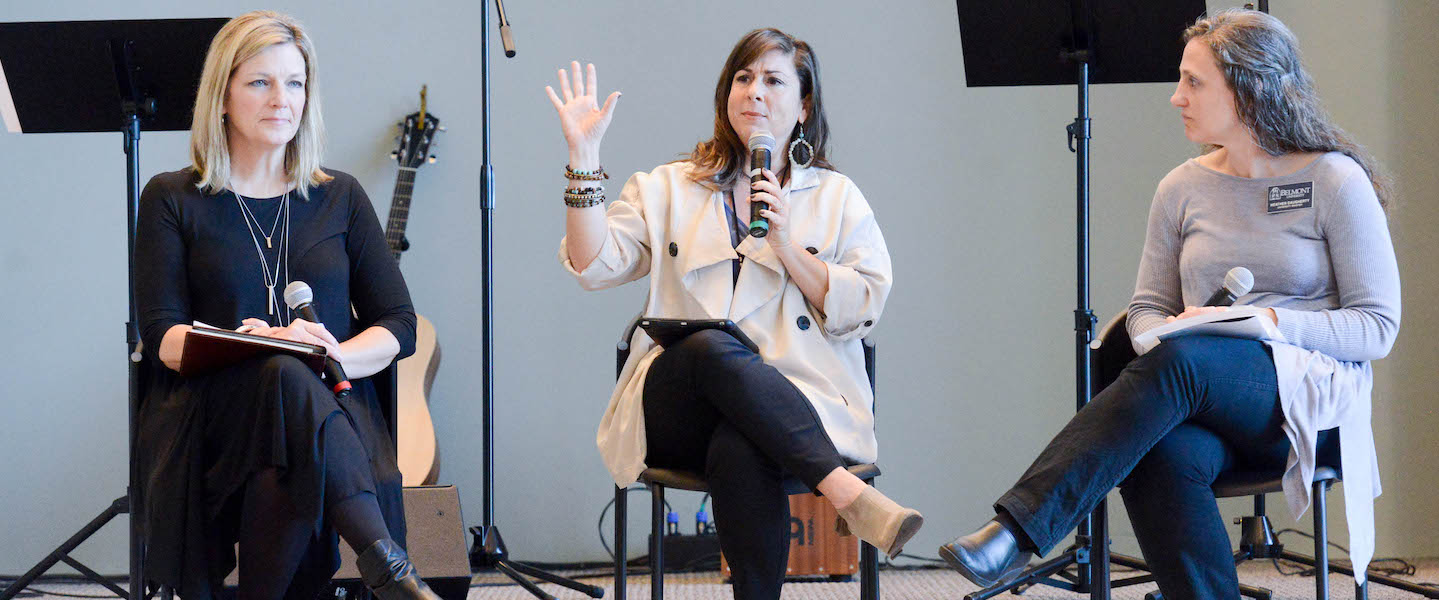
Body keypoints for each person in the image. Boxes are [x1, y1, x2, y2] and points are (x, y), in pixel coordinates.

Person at [938, 9, 1401, 599]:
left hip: (1305, 401)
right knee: (1161, 446)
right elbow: (1147, 309)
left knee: (1181, 366)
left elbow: (1376, 327)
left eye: (1193, 82)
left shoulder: (1335, 180)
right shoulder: (1181, 187)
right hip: (1196, 396)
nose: (1175, 97)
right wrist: (1169, 331)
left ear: (1247, 88)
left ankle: (1016, 530)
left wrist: (1263, 322)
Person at [548, 28, 923, 600]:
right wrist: (584, 157)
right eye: (743, 78)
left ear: (803, 105)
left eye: (773, 80)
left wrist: (789, 247)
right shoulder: (670, 186)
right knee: (705, 346)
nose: (754, 92)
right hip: (677, 407)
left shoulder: (836, 198)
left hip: (795, 408)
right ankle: (846, 494)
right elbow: (593, 262)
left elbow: (865, 304)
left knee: (743, 440)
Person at [133, 11, 439, 600]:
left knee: (287, 439)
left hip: (327, 403)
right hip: (212, 417)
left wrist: (335, 353)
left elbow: (399, 324)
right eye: (260, 82)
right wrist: (260, 345)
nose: (282, 99)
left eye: (295, 83)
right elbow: (164, 337)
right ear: (221, 96)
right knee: (278, 371)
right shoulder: (173, 198)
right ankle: (392, 571)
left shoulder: (340, 196)